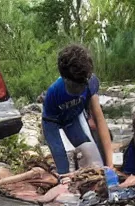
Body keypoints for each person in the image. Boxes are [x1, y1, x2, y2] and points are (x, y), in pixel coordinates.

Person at [42, 44, 113, 174]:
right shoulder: (54, 92)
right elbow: (50, 129)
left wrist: (110, 165)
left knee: (90, 151)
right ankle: (63, 181)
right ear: (64, 78)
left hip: (72, 118)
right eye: (75, 86)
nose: (79, 89)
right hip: (52, 121)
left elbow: (99, 120)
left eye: (82, 86)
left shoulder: (91, 82)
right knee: (61, 162)